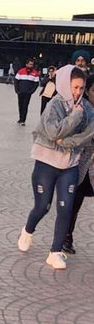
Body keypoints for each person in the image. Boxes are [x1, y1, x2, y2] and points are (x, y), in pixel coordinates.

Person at [17, 65, 91, 269]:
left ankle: (55, 252)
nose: (77, 92)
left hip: (70, 165)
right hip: (46, 163)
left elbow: (88, 134)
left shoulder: (87, 108)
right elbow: (52, 132)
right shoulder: (55, 104)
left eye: (81, 88)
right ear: (66, 84)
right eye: (74, 87)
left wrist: (66, 142)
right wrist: (74, 118)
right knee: (43, 206)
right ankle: (27, 231)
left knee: (66, 208)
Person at [56, 74, 94, 254]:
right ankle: (66, 237)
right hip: (80, 164)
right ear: (87, 91)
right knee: (74, 203)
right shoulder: (81, 110)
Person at [14, 58, 40, 125]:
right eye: (30, 64)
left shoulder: (35, 73)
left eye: (32, 64)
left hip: (28, 93)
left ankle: (23, 120)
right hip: (20, 92)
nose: (31, 66)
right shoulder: (21, 71)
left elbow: (36, 83)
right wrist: (17, 90)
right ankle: (20, 118)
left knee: (25, 106)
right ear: (26, 64)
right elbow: (16, 81)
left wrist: (31, 91)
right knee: (20, 105)